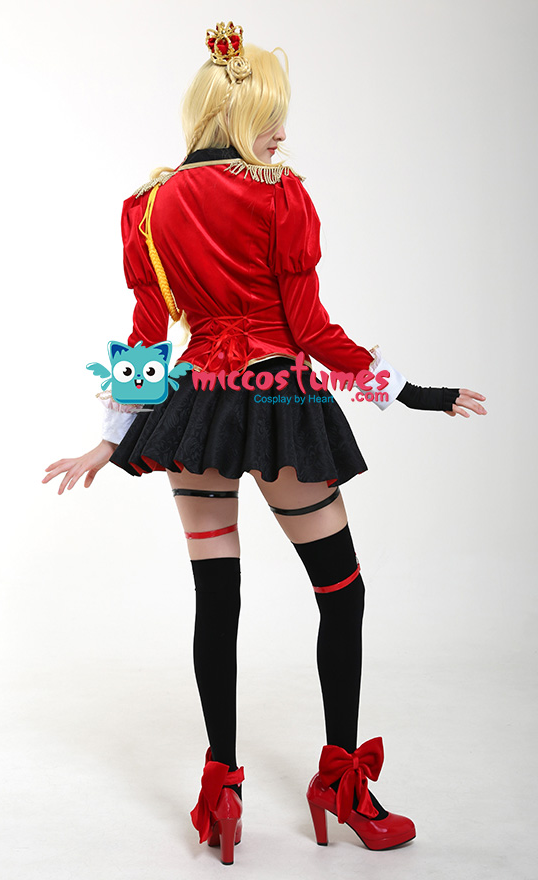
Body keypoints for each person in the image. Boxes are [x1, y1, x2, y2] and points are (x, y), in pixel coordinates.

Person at [43, 22, 486, 866]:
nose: (282, 130)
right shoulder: (280, 195)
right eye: (273, 113)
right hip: (278, 403)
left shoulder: (148, 206)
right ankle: (342, 786)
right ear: (241, 112)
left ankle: (223, 789)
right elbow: (311, 330)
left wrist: (111, 439)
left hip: (196, 414)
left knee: (217, 602)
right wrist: (410, 392)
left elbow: (149, 332)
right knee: (342, 594)